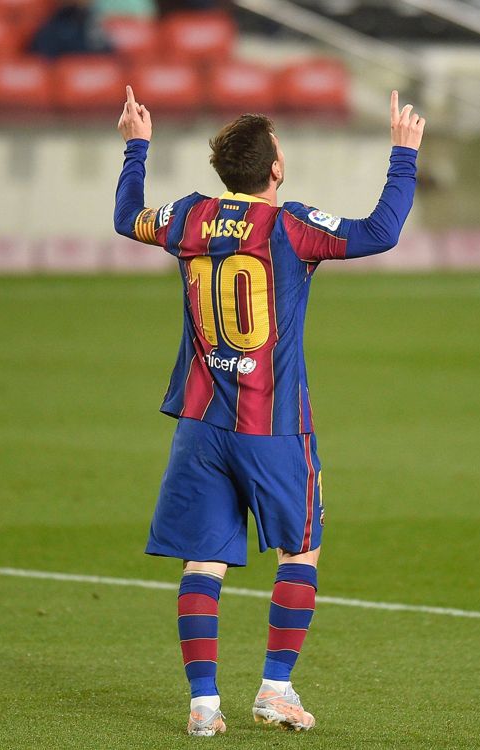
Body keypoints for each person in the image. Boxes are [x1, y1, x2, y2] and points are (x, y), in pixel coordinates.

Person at [113, 85, 424, 737]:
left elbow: (126, 218)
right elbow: (382, 232)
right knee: (300, 551)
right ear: (274, 168)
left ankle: (203, 705)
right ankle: (275, 688)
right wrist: (403, 154)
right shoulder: (292, 227)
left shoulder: (190, 218)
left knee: (204, 558)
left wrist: (137, 147)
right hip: (273, 427)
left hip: (200, 425)